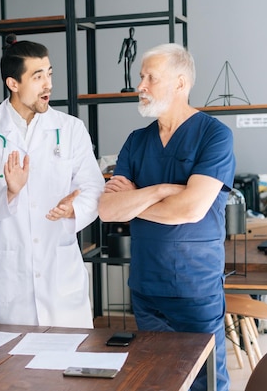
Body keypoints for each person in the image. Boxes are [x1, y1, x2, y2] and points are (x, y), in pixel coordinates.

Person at [97, 43, 234, 391]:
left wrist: (135, 200)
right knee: (156, 380)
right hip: (146, 290)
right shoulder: (136, 141)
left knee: (207, 382)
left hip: (195, 290)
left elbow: (191, 209)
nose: (140, 86)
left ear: (180, 83)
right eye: (141, 77)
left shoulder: (214, 135)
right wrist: (161, 190)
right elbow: (108, 209)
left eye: (150, 78)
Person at [0, 34, 103, 328]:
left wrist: (73, 209)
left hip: (59, 276)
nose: (48, 84)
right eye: (38, 77)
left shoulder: (70, 129)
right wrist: (9, 194)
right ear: (13, 83)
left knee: (69, 365)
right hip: (8, 282)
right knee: (10, 370)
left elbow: (94, 188)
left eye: (49, 74)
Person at [118, 27, 137, 92]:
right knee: (126, 72)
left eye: (132, 32)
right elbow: (122, 50)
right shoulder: (126, 40)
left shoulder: (134, 41)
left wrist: (133, 59)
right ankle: (127, 86)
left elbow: (135, 52)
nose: (131, 33)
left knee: (128, 72)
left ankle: (130, 86)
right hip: (126, 55)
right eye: (130, 32)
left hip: (130, 56)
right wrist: (120, 58)